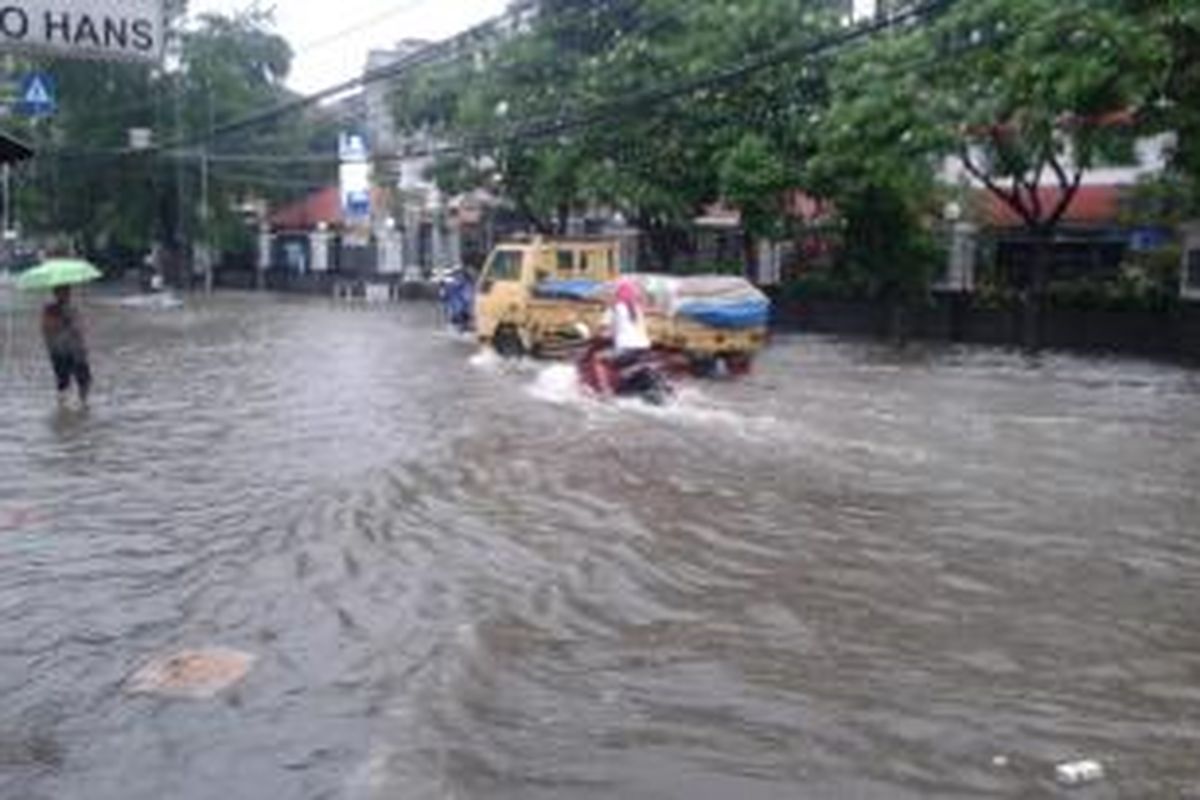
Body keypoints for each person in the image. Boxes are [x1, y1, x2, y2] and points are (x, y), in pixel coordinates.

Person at [41, 285, 92, 407]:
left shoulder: (73, 307)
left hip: (76, 349)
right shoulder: (50, 309)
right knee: (63, 382)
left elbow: (79, 328)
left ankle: (83, 403)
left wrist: (83, 346)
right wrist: (64, 320)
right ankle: (63, 407)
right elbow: (46, 329)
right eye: (63, 292)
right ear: (56, 293)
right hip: (59, 350)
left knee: (85, 380)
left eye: (68, 291)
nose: (66, 294)